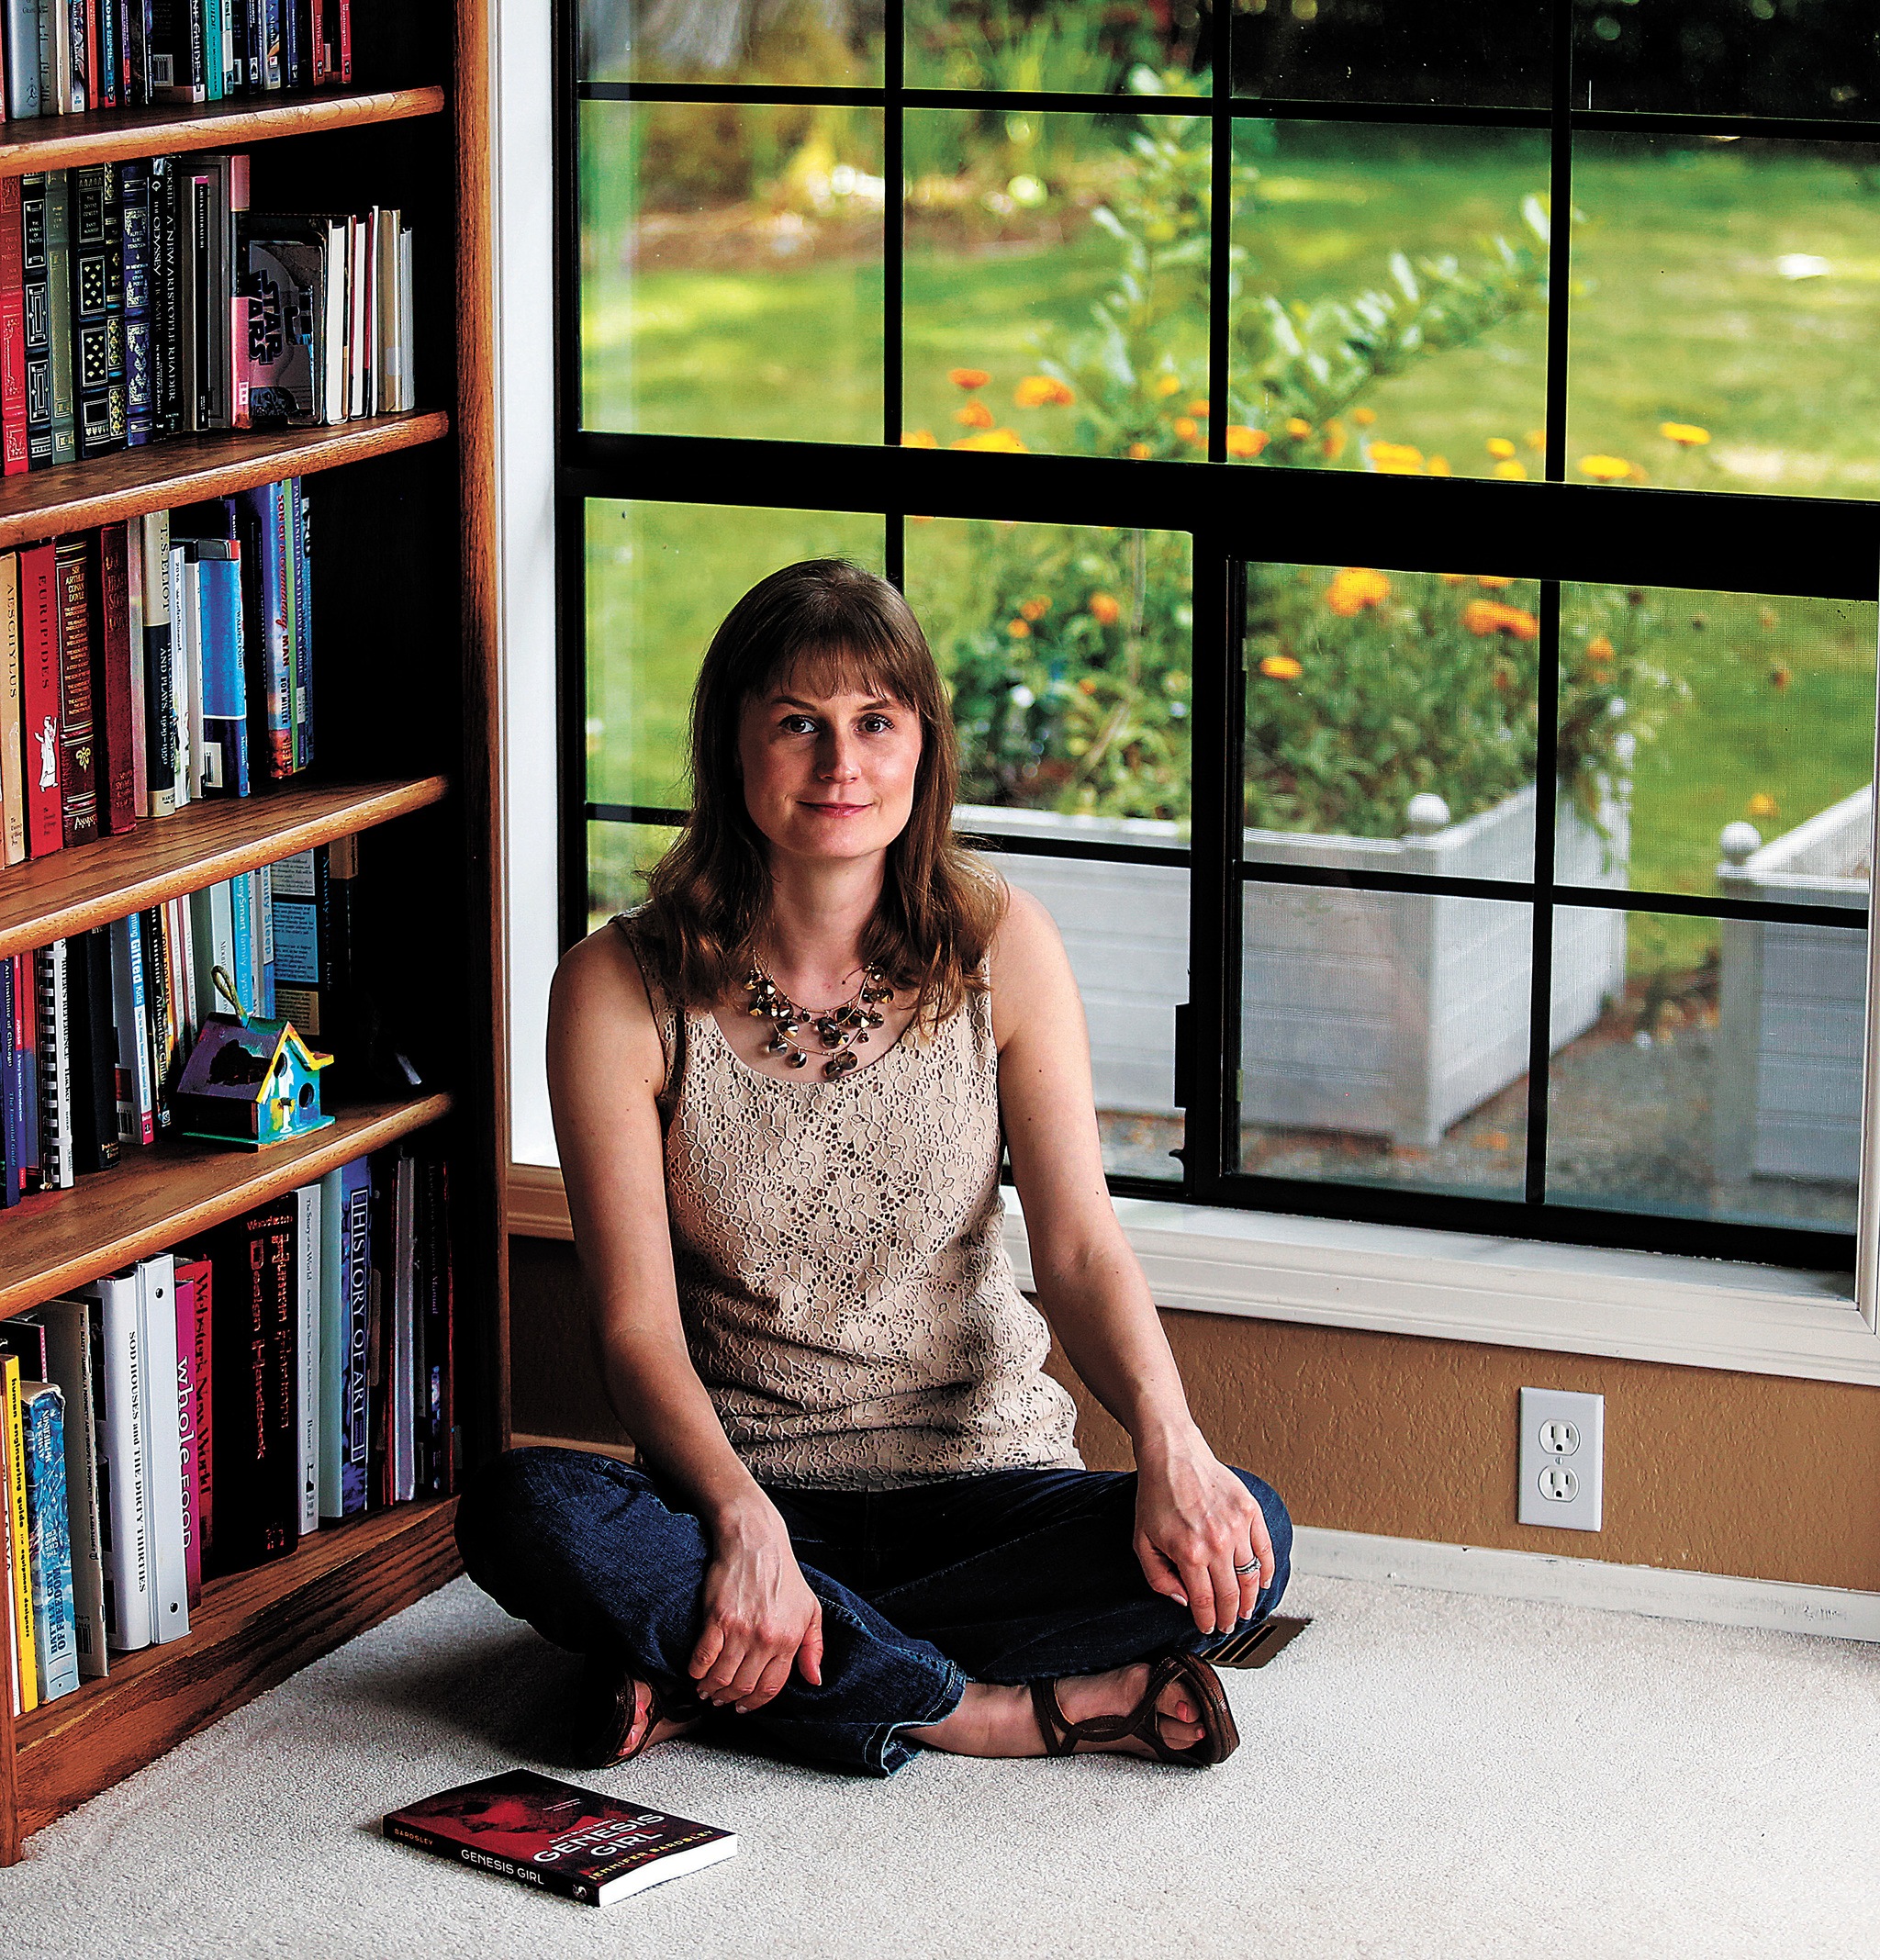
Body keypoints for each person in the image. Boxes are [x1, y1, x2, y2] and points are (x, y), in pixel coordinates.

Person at [456, 559, 1292, 1776]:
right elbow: (633, 1326)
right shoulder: (617, 989)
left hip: (986, 1481)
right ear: (731, 750)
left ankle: (731, 1673)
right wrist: (742, 1524)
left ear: (922, 748)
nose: (841, 765)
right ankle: (977, 1709)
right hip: (744, 1488)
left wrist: (1170, 1442)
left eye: (874, 724)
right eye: (798, 724)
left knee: (1245, 1538)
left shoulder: (1004, 944)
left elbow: (1076, 1247)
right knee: (525, 1516)